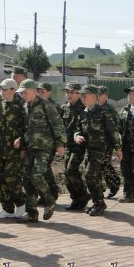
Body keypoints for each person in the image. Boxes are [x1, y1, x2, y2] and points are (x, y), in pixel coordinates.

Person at [14, 79, 66, 222]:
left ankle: (49, 201)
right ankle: (31, 213)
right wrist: (22, 143)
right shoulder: (25, 107)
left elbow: (58, 124)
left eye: (25, 92)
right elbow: (25, 129)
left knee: (36, 176)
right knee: (27, 179)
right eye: (22, 93)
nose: (23, 95)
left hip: (44, 147)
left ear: (33, 91)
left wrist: (60, 143)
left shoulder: (45, 105)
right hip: (30, 147)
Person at [75, 85, 122, 216]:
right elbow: (78, 129)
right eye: (81, 96)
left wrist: (118, 149)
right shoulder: (84, 112)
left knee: (90, 175)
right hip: (88, 150)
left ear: (94, 97)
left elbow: (113, 131)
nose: (82, 98)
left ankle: (99, 203)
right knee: (90, 177)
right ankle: (97, 202)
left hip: (100, 150)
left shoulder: (103, 112)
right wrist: (77, 136)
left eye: (85, 96)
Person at [0, 79, 26, 219]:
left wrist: (22, 142)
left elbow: (27, 127)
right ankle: (8, 208)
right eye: (1, 89)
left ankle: (21, 204)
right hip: (2, 150)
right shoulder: (0, 106)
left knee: (11, 177)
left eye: (4, 89)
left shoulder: (22, 106)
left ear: (13, 90)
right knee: (2, 179)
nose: (1, 92)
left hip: (15, 151)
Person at [60, 81, 89, 210]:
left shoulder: (84, 107)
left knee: (72, 170)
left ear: (79, 93)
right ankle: (75, 199)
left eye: (72, 92)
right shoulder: (64, 108)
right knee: (67, 173)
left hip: (79, 145)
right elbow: (60, 126)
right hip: (68, 145)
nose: (69, 95)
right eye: (67, 92)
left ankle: (83, 196)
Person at [37, 82, 61, 203]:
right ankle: (49, 194)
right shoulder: (36, 104)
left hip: (50, 143)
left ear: (49, 93)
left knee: (44, 168)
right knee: (43, 169)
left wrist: (59, 144)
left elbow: (57, 126)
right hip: (39, 144)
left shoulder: (53, 105)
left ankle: (52, 192)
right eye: (39, 92)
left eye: (43, 92)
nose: (40, 94)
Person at [97, 86, 121, 198]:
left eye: (100, 94)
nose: (97, 97)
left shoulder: (110, 109)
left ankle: (114, 183)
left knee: (104, 164)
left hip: (107, 143)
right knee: (93, 165)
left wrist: (117, 147)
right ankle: (98, 187)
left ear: (106, 95)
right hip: (95, 142)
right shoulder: (93, 107)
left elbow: (115, 129)